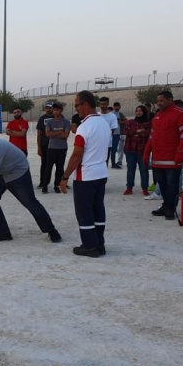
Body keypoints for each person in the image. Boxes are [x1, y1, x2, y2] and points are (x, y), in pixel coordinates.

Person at [60, 90, 110, 257]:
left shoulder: (84, 127)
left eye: (77, 105)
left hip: (86, 175)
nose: (76, 109)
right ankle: (99, 243)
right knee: (98, 209)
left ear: (86, 104)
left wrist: (65, 176)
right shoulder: (104, 123)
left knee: (84, 212)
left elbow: (77, 155)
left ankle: (89, 246)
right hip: (101, 173)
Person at [142, 91, 183, 220]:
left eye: (161, 100)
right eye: (157, 101)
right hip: (158, 158)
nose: (159, 103)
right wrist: (147, 152)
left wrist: (180, 152)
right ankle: (165, 205)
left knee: (172, 185)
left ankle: (171, 208)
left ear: (170, 100)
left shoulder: (180, 114)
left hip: (172, 159)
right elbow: (152, 136)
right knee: (162, 185)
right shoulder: (157, 116)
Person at [41, 102, 71, 193]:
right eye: (54, 110)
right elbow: (48, 134)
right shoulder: (50, 122)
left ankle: (56, 185)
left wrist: (54, 134)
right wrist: (59, 132)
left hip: (62, 148)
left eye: (57, 110)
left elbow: (66, 135)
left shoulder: (66, 122)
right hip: (51, 148)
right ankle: (45, 185)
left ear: (61, 110)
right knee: (48, 167)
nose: (56, 112)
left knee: (60, 168)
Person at [123, 105, 151, 196]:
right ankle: (129, 188)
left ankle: (145, 188)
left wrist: (134, 133)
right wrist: (138, 132)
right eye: (137, 111)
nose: (138, 113)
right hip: (130, 149)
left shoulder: (148, 123)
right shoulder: (130, 122)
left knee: (144, 169)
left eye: (140, 111)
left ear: (144, 112)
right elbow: (126, 132)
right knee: (130, 169)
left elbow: (148, 134)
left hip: (142, 150)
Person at [36, 101, 55, 187]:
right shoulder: (42, 119)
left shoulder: (57, 117)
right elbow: (39, 134)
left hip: (56, 145)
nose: (48, 109)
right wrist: (39, 147)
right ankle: (42, 182)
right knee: (44, 164)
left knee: (58, 164)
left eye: (50, 108)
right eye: (47, 108)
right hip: (45, 145)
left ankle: (58, 182)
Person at [99, 97, 119, 169]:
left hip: (107, 144)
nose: (103, 106)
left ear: (107, 104)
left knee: (105, 162)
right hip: (96, 143)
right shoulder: (97, 115)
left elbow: (112, 131)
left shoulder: (112, 116)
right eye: (101, 104)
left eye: (104, 104)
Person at [113, 102, 128, 168]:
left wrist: (120, 122)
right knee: (119, 149)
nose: (116, 107)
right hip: (115, 133)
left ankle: (127, 160)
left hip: (122, 132)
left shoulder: (120, 114)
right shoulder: (112, 114)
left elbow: (126, 120)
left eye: (118, 106)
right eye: (115, 106)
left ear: (120, 107)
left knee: (126, 148)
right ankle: (119, 161)